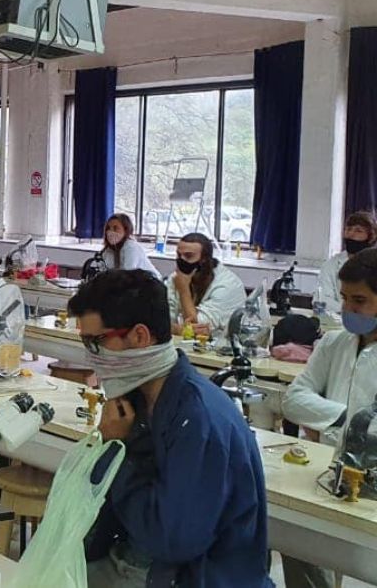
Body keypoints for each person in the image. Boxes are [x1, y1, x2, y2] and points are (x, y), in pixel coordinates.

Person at [69, 270, 271, 587]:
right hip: (144, 560)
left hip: (195, 576)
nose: (90, 356)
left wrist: (115, 451)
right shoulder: (137, 400)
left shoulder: (197, 418)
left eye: (96, 342)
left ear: (139, 336)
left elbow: (172, 540)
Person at [280, 248, 377, 588]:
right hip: (327, 466)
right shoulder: (335, 343)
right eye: (345, 298)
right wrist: (351, 421)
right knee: (297, 543)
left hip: (372, 482)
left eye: (359, 300)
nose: (347, 309)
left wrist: (327, 419)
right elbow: (293, 400)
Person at [165, 233, 245, 337]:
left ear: (204, 259)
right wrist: (175, 329)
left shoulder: (227, 285)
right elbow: (162, 320)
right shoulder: (176, 278)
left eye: (188, 256)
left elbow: (198, 328)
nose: (182, 260)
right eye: (179, 255)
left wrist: (183, 290)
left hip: (222, 347)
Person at [316, 211, 377, 314]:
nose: (351, 234)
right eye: (348, 229)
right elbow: (321, 299)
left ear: (371, 237)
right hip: (339, 321)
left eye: (358, 231)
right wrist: (351, 310)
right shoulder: (331, 265)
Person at [102, 213, 160, 279]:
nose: (110, 232)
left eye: (115, 228)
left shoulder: (131, 247)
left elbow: (128, 277)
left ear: (126, 230)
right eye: (108, 228)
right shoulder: (108, 250)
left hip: (151, 285)